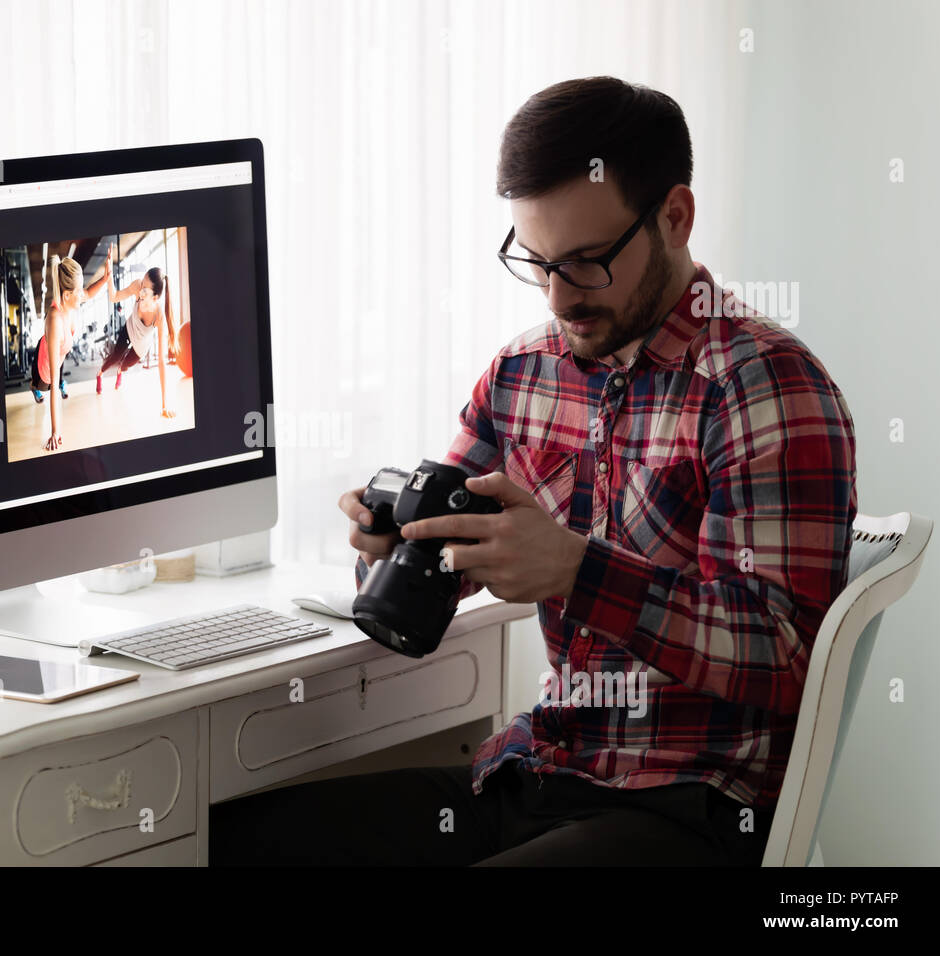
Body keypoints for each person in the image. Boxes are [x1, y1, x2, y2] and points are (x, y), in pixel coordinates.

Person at [209, 76, 857, 866]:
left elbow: (786, 657)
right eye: (536, 261)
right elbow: (439, 563)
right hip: (538, 775)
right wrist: (394, 542)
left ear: (675, 216)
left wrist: (579, 572)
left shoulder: (764, 385)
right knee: (225, 845)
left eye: (586, 263)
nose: (558, 297)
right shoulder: (523, 372)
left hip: (695, 810)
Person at [33, 254, 107, 451]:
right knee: (44, 386)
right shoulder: (55, 320)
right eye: (78, 292)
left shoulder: (71, 299)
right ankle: (34, 387)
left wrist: (105, 278)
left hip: (59, 353)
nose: (81, 295)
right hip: (44, 367)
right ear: (67, 295)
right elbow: (54, 384)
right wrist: (55, 431)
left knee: (56, 377)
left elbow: (89, 293)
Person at [98, 243, 179, 419]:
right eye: (141, 282)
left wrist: (165, 405)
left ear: (155, 297)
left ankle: (120, 371)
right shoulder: (137, 287)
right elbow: (114, 297)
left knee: (125, 365)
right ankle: (101, 373)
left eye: (144, 289)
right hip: (129, 328)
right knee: (115, 355)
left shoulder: (159, 316)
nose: (140, 288)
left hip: (141, 346)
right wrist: (109, 272)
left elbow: (163, 363)